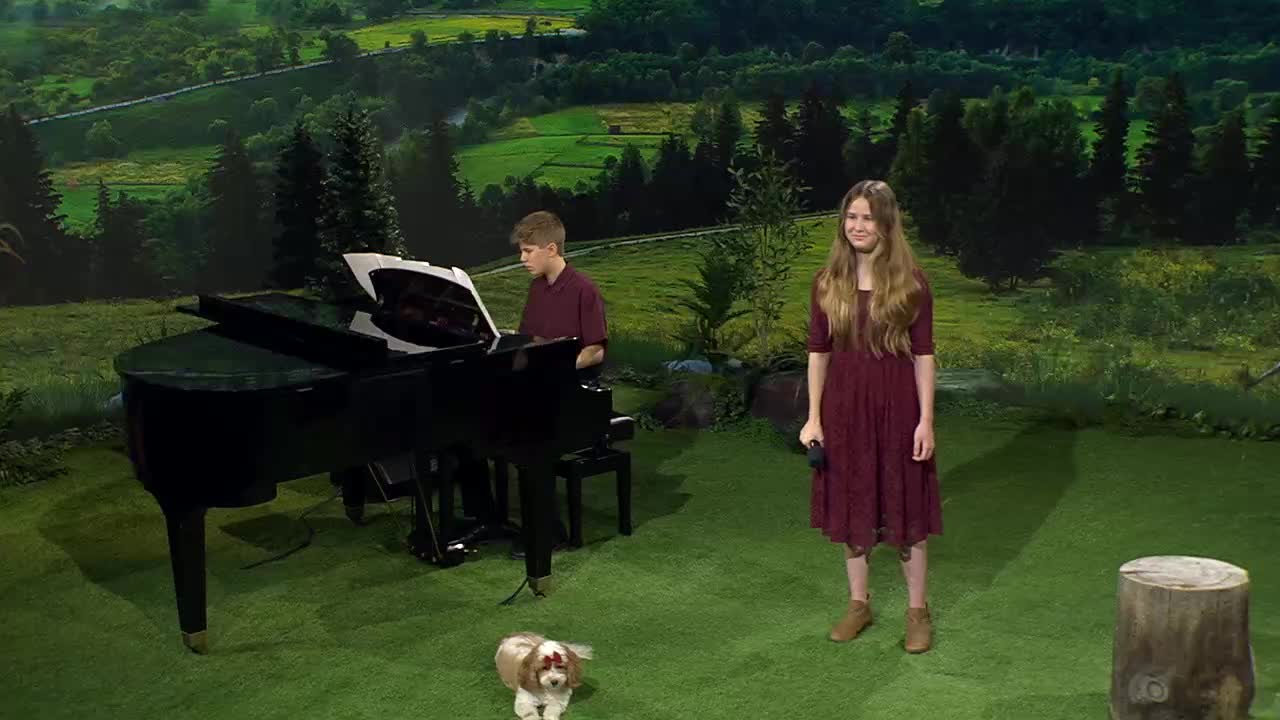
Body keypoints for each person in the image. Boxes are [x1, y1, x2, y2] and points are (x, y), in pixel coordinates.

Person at [799, 179, 942, 653]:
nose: (858, 226)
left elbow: (923, 355)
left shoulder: (911, 282)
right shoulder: (827, 282)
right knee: (853, 502)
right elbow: (818, 353)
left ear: (886, 224)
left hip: (899, 409)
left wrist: (926, 420)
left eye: (868, 218)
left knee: (906, 509)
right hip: (844, 410)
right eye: (852, 217)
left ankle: (917, 611)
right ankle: (859, 604)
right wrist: (813, 417)